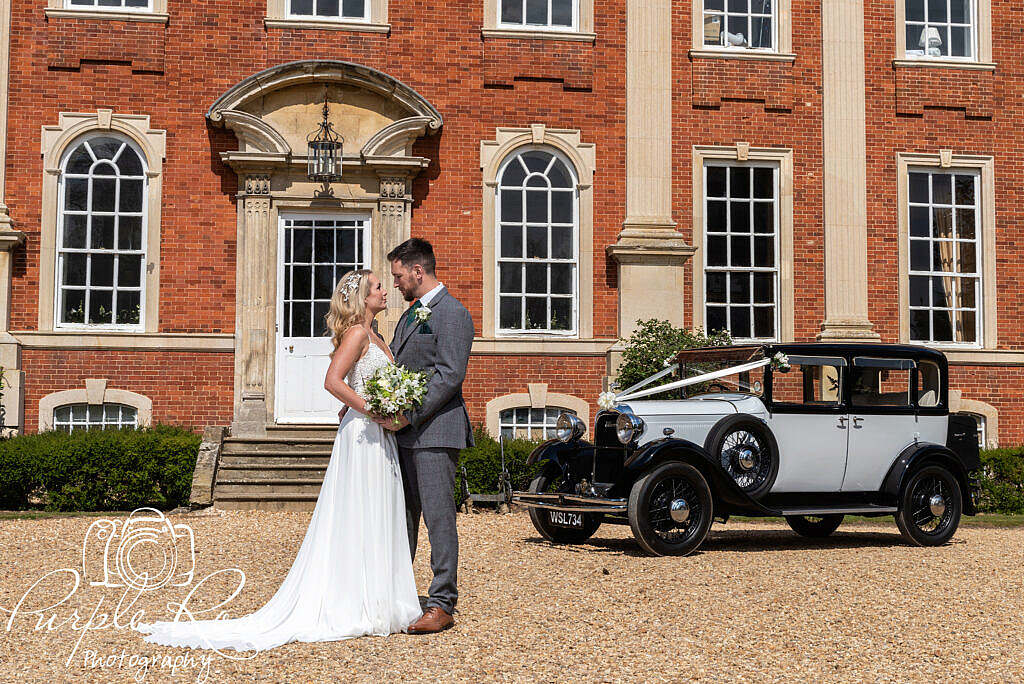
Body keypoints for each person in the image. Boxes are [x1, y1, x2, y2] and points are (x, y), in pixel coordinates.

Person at [133, 269, 421, 651]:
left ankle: (380, 597)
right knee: (359, 511)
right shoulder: (356, 334)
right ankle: (355, 601)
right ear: (362, 298)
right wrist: (371, 410)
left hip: (378, 435)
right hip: (364, 434)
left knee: (378, 511)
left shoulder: (378, 336)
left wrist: (393, 409)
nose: (386, 291)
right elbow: (332, 381)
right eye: (379, 288)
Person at [379, 238, 474, 634]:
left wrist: (408, 415)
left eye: (399, 276)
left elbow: (449, 375)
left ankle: (442, 603)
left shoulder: (453, 313)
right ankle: (400, 595)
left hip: (435, 432)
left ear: (418, 271)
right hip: (406, 435)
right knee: (403, 520)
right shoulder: (409, 316)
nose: (396, 284)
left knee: (438, 521)